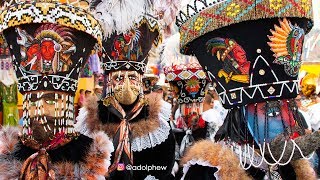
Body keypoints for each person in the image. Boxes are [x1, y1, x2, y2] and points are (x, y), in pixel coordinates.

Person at [176, 0, 318, 179]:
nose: (290, 123)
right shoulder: (208, 172)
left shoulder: (290, 167)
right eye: (272, 110)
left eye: (290, 107)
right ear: (241, 116)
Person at [0, 1, 113, 178]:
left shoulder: (88, 153)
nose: (43, 110)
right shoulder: (9, 151)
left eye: (52, 100)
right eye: (34, 100)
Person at [75, 1, 176, 179]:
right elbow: (84, 165)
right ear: (109, 82)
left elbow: (164, 165)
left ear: (140, 81)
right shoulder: (93, 117)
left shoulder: (156, 118)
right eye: (119, 78)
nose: (126, 85)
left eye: (132, 78)